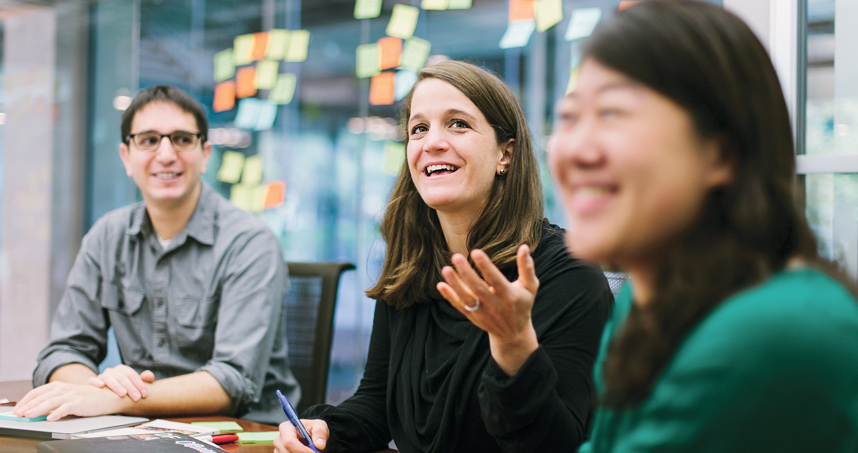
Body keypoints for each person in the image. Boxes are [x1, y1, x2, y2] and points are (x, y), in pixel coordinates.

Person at [547, 1, 858, 451]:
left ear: (722, 155)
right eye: (570, 117)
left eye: (613, 114)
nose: (577, 149)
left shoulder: (770, 329)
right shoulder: (652, 294)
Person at [275, 60, 613, 453]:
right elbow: (375, 405)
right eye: (419, 128)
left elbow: (557, 445)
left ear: (506, 153)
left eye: (458, 124)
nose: (431, 142)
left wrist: (514, 344)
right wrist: (323, 431)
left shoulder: (568, 274)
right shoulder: (412, 266)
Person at [14, 85, 299, 425]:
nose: (165, 155)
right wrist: (98, 389)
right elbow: (62, 353)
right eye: (148, 140)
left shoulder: (249, 242)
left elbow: (231, 382)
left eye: (181, 139)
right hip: (143, 431)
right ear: (126, 157)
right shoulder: (107, 236)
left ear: (205, 154)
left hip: (244, 435)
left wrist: (113, 398)